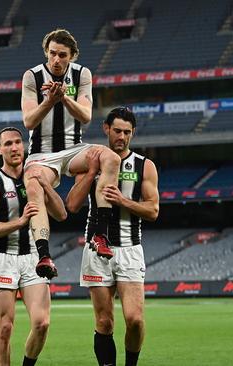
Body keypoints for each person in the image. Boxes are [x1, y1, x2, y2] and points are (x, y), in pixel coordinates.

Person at [21, 28, 122, 279]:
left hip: (74, 148)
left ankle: (99, 234)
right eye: (52, 54)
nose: (56, 60)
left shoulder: (82, 74)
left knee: (111, 157)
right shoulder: (32, 76)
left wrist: (64, 98)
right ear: (46, 52)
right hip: (41, 153)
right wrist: (49, 101)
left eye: (62, 55)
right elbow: (29, 121)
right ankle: (44, 255)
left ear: (72, 56)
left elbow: (86, 116)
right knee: (32, 182)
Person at [65, 107, 159, 366]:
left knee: (135, 320)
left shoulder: (144, 166)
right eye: (117, 131)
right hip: (96, 250)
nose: (122, 137)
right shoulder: (92, 161)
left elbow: (152, 210)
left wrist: (123, 201)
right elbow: (71, 205)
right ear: (106, 129)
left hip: (130, 248)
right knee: (104, 322)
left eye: (127, 132)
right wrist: (92, 170)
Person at [0, 127, 67, 366]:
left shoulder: (35, 177)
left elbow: (61, 214)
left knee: (42, 323)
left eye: (18, 142)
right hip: (3, 257)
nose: (14, 147)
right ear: (0, 150)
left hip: (33, 258)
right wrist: (19, 221)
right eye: (8, 144)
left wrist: (46, 186)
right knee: (5, 328)